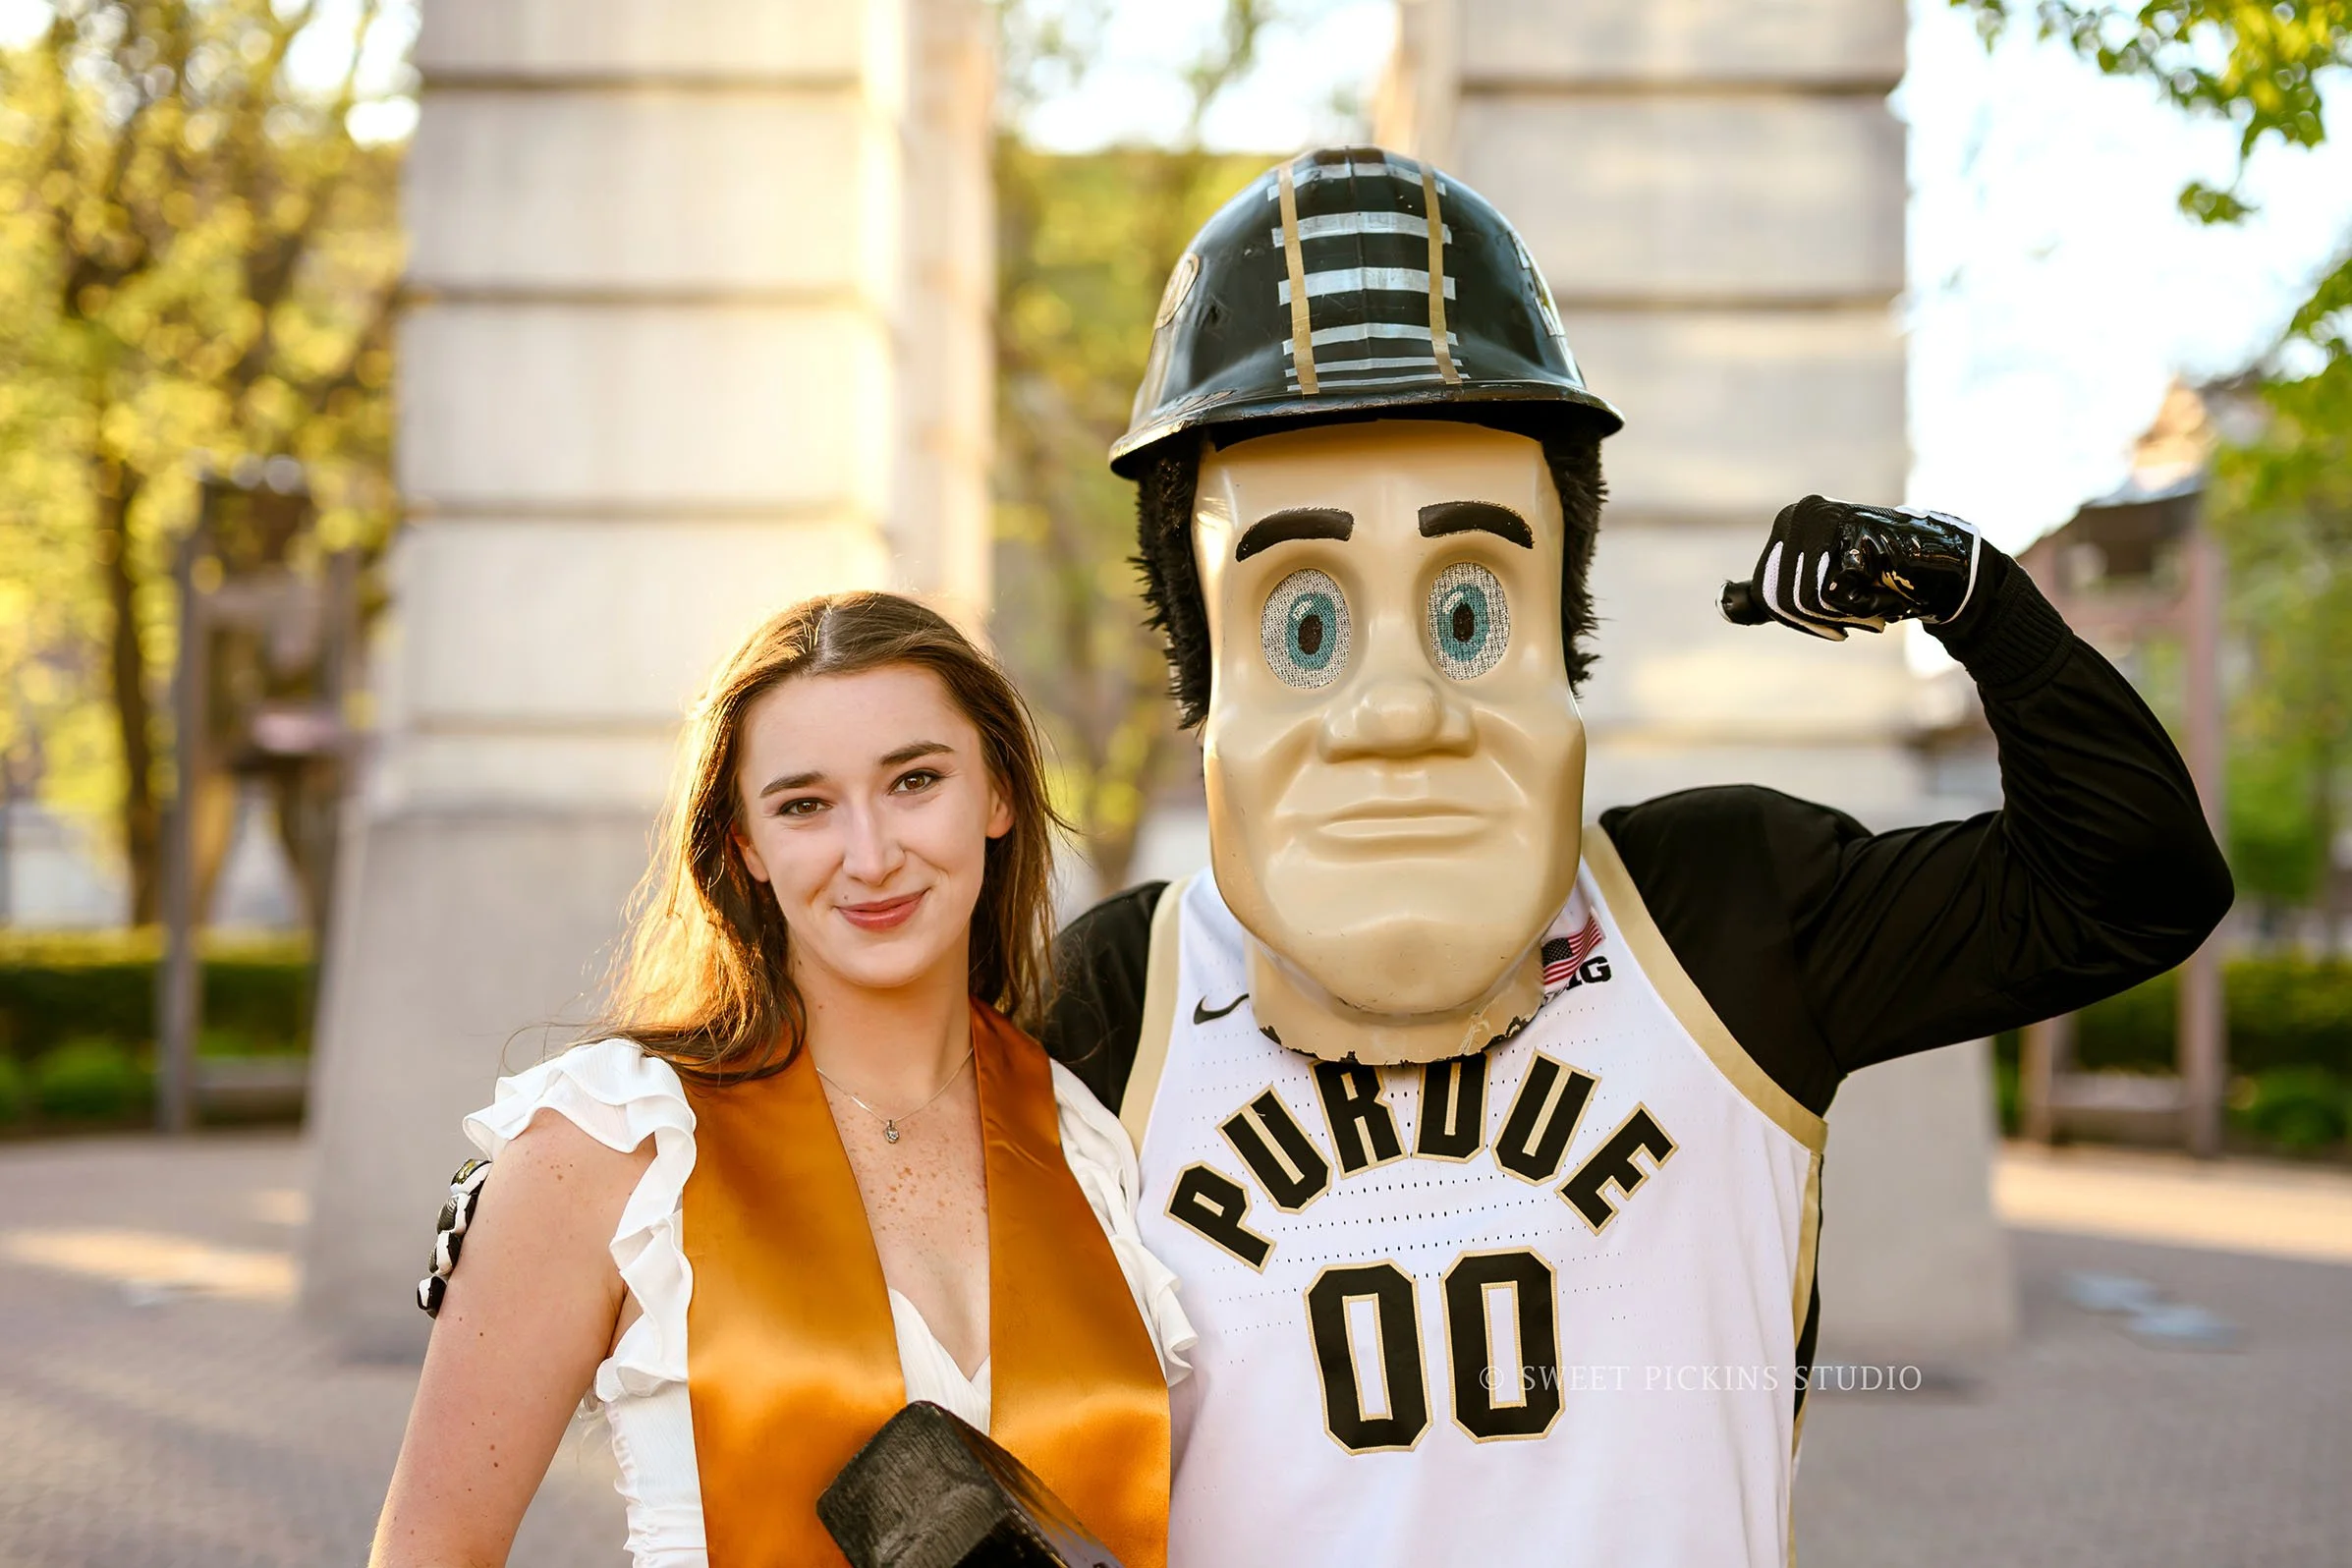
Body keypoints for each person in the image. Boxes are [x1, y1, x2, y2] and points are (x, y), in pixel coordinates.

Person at [1033, 145, 2233, 1566]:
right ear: (1201, 649)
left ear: (1561, 613)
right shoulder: (1120, 1002)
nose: (1400, 710)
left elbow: (2133, 885)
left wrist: (1980, 604)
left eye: (1468, 613)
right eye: (1308, 625)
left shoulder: (1720, 917)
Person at [372, 592, 1193, 1568]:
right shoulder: (614, 1145)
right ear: (746, 846)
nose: (871, 856)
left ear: (999, 796)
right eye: (805, 805)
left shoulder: (1087, 1140)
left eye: (915, 781)